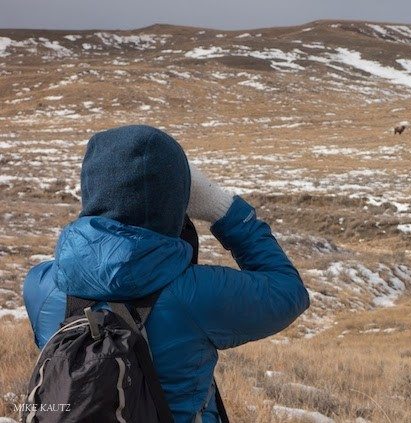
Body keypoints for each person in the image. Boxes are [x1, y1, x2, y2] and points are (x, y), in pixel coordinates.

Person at [22, 124, 310, 422]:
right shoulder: (196, 295)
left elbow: (99, 253)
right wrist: (221, 209)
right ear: (176, 200)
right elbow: (290, 292)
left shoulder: (40, 286)